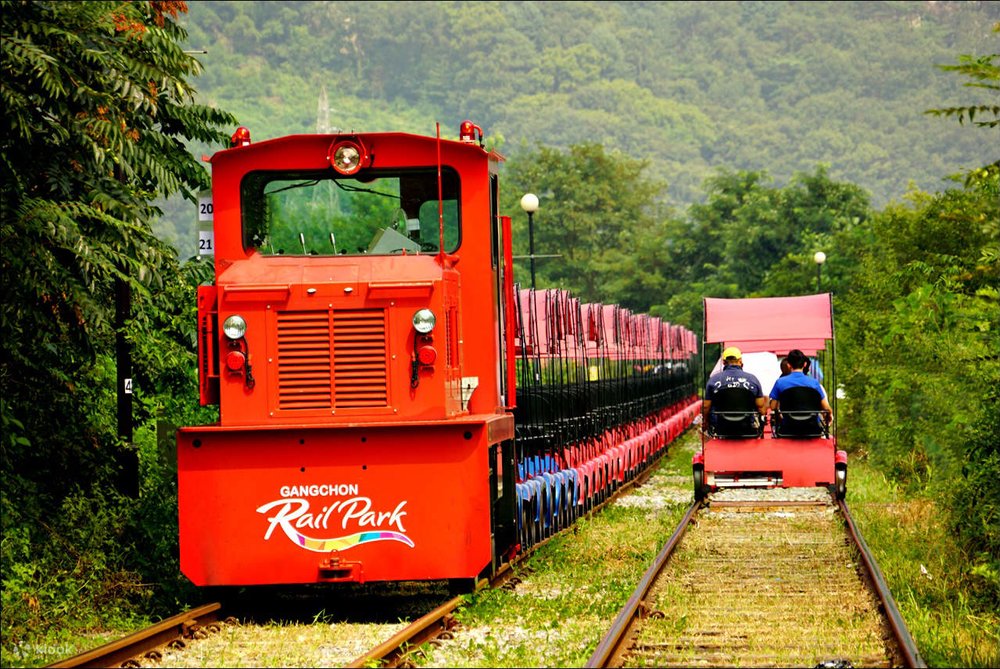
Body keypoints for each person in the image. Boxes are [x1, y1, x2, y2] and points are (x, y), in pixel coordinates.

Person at [702, 346, 767, 432]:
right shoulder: (752, 379)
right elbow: (761, 407)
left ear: (724, 362)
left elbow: (706, 406)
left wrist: (705, 422)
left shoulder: (713, 380)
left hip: (721, 426)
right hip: (747, 426)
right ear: (740, 361)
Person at [769, 348, 832, 430]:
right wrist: (829, 415)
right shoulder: (814, 383)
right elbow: (826, 408)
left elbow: (773, 406)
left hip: (788, 427)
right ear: (805, 364)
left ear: (789, 365)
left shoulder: (780, 382)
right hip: (812, 427)